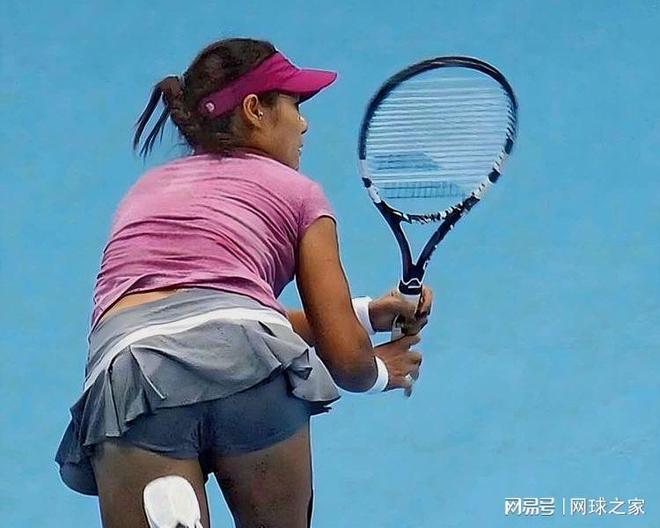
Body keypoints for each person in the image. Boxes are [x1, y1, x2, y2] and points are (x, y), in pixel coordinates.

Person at [55, 37, 432, 528]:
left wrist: (366, 313)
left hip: (134, 375)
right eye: (294, 104)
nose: (304, 123)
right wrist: (380, 369)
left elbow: (199, 309)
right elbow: (342, 359)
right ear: (255, 109)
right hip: (250, 362)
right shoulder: (299, 193)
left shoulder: (142, 192)